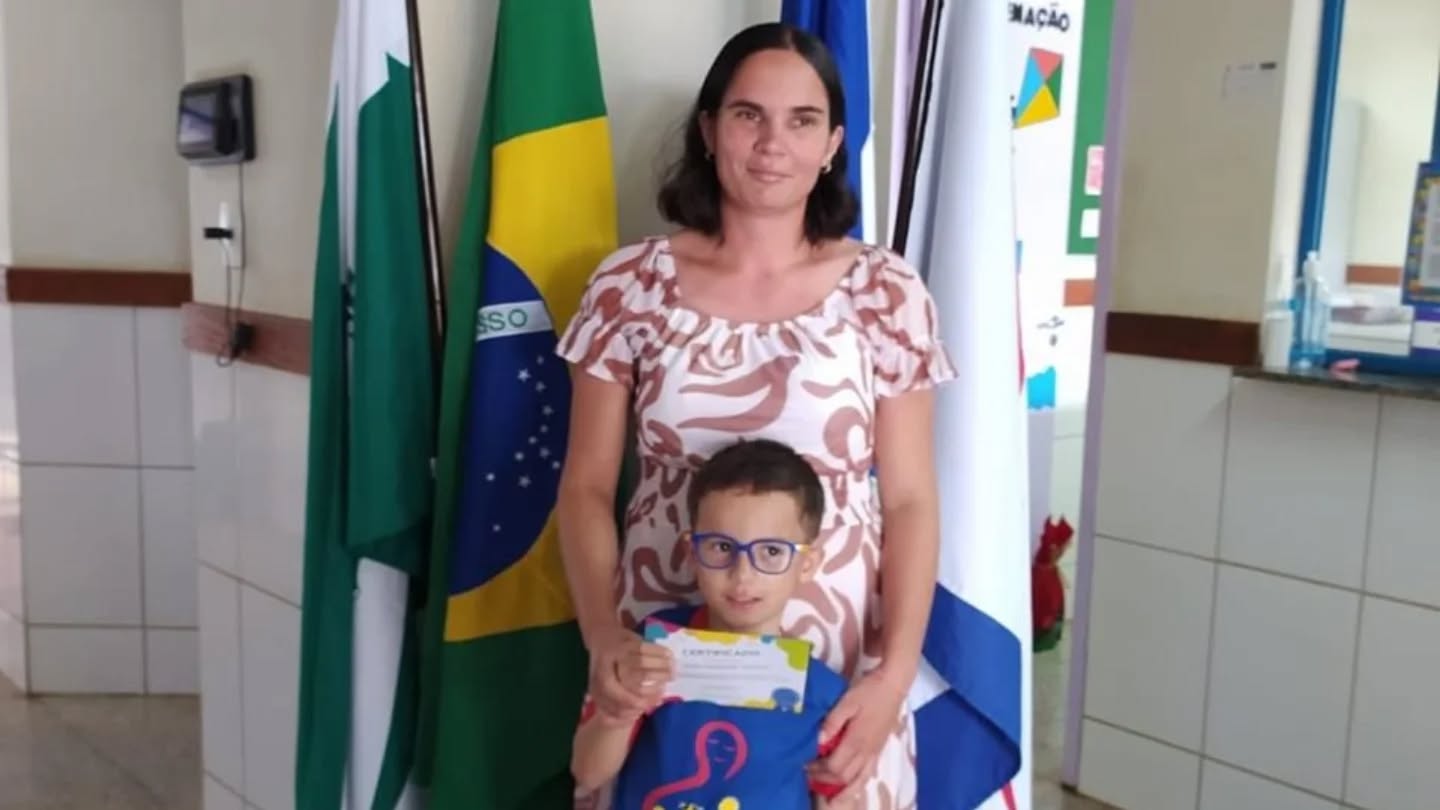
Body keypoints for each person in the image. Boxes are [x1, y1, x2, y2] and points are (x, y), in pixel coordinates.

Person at [556, 21, 955, 809]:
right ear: (709, 130)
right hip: (662, 642)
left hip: (836, 649)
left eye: (802, 120)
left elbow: (911, 499)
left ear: (833, 144)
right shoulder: (629, 285)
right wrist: (603, 637)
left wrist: (894, 673)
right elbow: (586, 487)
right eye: (749, 115)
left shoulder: (887, 292)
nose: (774, 143)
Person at [571, 438, 849, 809]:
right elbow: (588, 773)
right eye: (721, 547)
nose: (742, 575)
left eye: (771, 551)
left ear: (807, 564)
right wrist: (621, 711)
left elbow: (840, 796)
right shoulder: (651, 652)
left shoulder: (824, 695)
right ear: (691, 552)